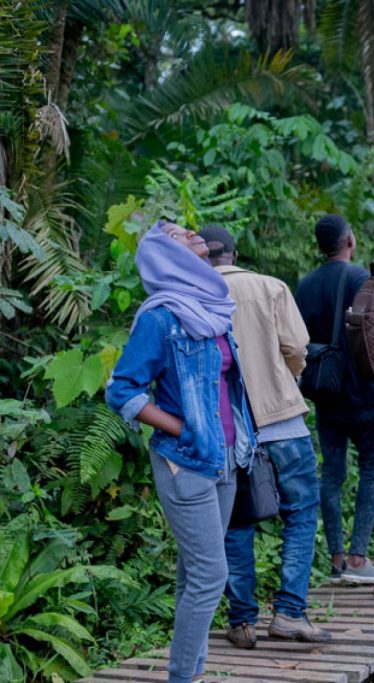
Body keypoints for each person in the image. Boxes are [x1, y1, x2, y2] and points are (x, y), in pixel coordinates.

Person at [105, 221, 256, 683]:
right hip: (184, 460)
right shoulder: (160, 317)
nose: (193, 235)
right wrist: (181, 426)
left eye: (192, 231)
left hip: (228, 458)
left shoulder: (213, 307)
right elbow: (122, 390)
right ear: (163, 257)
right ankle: (182, 678)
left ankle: (193, 672)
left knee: (196, 574)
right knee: (212, 576)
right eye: (178, 235)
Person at [197, 226, 329, 649]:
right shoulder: (269, 287)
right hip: (282, 420)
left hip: (227, 428)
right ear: (236, 252)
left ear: (201, 257)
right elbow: (297, 346)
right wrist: (283, 376)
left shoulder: (193, 295)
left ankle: (242, 621)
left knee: (237, 521)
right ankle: (289, 612)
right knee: (302, 511)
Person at [296, 215, 374, 585]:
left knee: (331, 474)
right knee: (373, 468)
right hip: (363, 392)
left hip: (326, 392)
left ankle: (336, 559)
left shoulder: (305, 285)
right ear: (349, 239)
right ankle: (358, 557)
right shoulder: (360, 279)